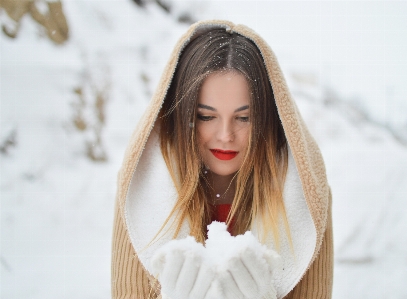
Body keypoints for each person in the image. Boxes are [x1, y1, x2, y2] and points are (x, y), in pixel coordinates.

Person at [111, 20, 333, 299]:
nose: (226, 135)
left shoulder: (304, 195)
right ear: (182, 116)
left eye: (243, 118)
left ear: (268, 119)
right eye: (206, 116)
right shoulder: (141, 189)